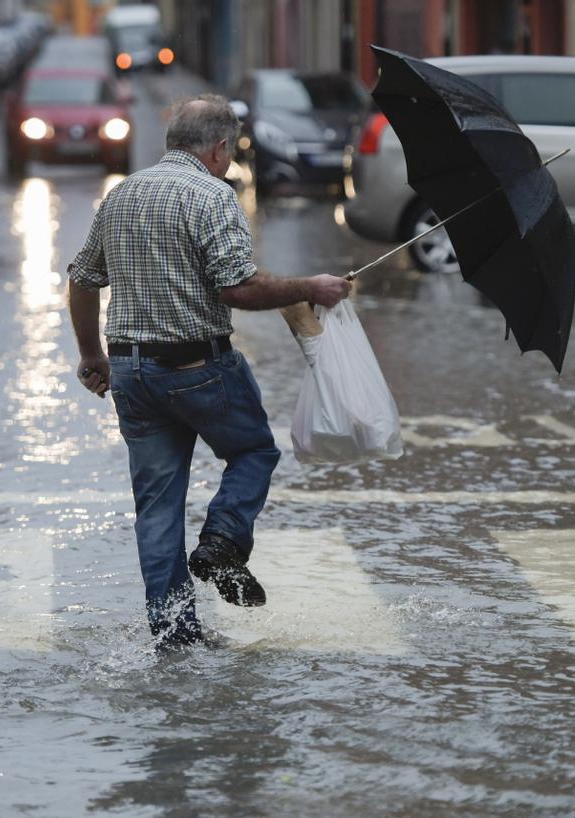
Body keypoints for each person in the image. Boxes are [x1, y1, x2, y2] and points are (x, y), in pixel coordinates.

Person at [66, 94, 352, 649]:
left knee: (156, 510)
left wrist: (90, 355)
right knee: (253, 453)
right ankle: (221, 542)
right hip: (199, 367)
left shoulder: (122, 194)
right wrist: (311, 287)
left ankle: (176, 638)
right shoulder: (214, 195)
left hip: (130, 372)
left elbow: (81, 278)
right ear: (220, 148)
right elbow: (236, 288)